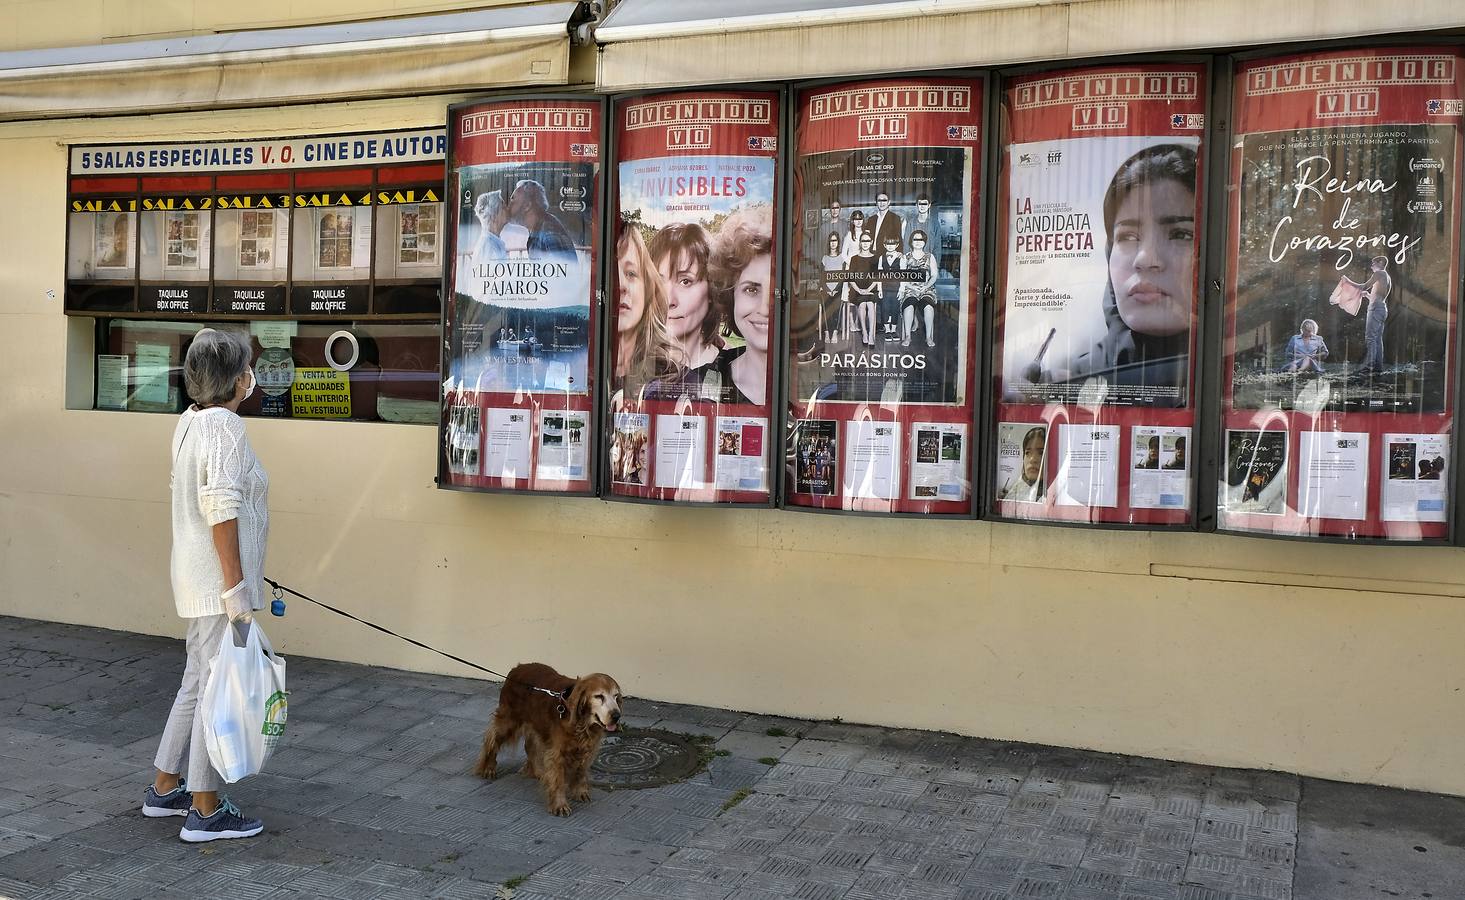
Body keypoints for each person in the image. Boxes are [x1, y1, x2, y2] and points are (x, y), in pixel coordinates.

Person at [145, 328, 268, 843]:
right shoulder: (223, 427)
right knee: (216, 690)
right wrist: (236, 586)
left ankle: (165, 786)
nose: (250, 377)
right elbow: (221, 508)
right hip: (218, 585)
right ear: (236, 378)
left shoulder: (192, 420)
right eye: (245, 368)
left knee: (198, 683)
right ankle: (205, 808)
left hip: (198, 577)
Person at [1065, 144, 1196, 400]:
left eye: (1180, 234)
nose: (1145, 258)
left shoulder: (1242, 381)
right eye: (1127, 236)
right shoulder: (1068, 381)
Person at [701, 205, 774, 406]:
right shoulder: (698, 383)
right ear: (731, 295)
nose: (766, 308)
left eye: (775, 291)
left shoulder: (822, 391)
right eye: (751, 289)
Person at [613, 227, 682, 400]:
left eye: (631, 273)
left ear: (647, 290)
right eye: (610, 272)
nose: (620, 285)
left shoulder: (673, 379)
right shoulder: (571, 372)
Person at [649, 223, 721, 369]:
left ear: (712, 291)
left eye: (685, 281)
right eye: (658, 281)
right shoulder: (633, 367)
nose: (669, 300)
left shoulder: (733, 366)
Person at [1346, 256, 1392, 374]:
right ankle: (1378, 366)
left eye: (1373, 263)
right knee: (1377, 338)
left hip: (1376, 309)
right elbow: (1378, 296)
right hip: (1382, 309)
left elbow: (1364, 286)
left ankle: (1369, 365)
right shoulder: (1387, 277)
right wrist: (1367, 295)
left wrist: (1347, 281)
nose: (1371, 266)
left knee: (1370, 338)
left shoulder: (1379, 273)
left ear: (1381, 263)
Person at [509, 179, 575, 257]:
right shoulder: (537, 228)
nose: (509, 205)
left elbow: (565, 268)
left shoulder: (549, 233)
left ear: (527, 206)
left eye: (513, 199)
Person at [899, 230, 939, 348]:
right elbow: (902, 277)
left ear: (924, 242)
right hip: (910, 288)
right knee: (909, 306)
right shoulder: (905, 257)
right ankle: (907, 336)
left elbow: (934, 275)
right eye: (915, 239)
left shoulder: (929, 256)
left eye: (920, 239)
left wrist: (926, 286)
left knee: (928, 307)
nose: (917, 242)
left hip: (926, 289)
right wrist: (911, 287)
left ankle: (928, 337)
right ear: (911, 241)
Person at [847, 231, 879, 346]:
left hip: (871, 289)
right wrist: (859, 290)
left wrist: (868, 289)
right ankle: (864, 333)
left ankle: (871, 335)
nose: (865, 243)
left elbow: (877, 278)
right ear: (860, 243)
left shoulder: (875, 258)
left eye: (867, 241)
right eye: (863, 241)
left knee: (870, 304)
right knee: (862, 304)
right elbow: (850, 278)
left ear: (871, 242)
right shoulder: (854, 258)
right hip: (857, 290)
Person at [999, 426, 1046, 502]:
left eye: (1041, 453)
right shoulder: (1012, 496)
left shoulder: (1058, 498)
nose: (1032, 459)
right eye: (1027, 453)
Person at [875, 235, 904, 342]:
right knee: (885, 308)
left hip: (896, 288)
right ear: (884, 245)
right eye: (888, 244)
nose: (890, 246)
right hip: (885, 288)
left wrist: (902, 290)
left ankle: (893, 330)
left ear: (897, 245)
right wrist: (879, 289)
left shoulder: (901, 258)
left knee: (895, 309)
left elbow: (904, 275)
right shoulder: (881, 258)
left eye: (893, 244)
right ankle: (887, 330)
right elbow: (879, 275)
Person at [472, 190, 509, 262]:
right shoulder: (489, 247)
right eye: (503, 208)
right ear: (494, 216)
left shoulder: (492, 241)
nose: (507, 209)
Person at [867, 188, 903, 253]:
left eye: (884, 200)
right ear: (876, 203)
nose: (881, 203)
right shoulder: (871, 219)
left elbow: (898, 238)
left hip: (885, 255)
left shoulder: (895, 218)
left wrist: (899, 253)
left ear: (889, 202)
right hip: (871, 254)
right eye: (879, 200)